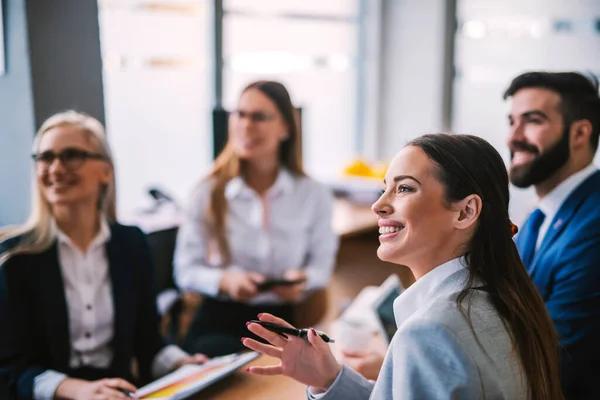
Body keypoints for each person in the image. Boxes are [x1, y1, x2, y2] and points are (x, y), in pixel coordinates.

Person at [243, 133, 563, 399]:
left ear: (466, 212)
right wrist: (333, 380)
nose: (378, 205)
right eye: (385, 188)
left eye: (404, 188)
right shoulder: (500, 299)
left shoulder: (429, 332)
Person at [0, 111, 206, 400]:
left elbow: (148, 344)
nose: (56, 168)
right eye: (45, 158)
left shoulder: (132, 243)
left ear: (106, 171)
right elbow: (12, 369)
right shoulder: (15, 257)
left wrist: (182, 364)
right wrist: (79, 390)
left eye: (72, 155)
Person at [174, 81, 339, 357]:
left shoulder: (314, 194)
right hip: (219, 322)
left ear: (286, 128)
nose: (246, 125)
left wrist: (303, 280)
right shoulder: (207, 192)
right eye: (240, 114)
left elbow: (322, 266)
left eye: (259, 117)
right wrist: (225, 280)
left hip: (282, 322)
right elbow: (185, 271)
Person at [504, 71, 600, 399]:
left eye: (532, 121)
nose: (513, 137)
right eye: (512, 121)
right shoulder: (540, 216)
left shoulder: (595, 223)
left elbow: (558, 358)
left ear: (580, 133)